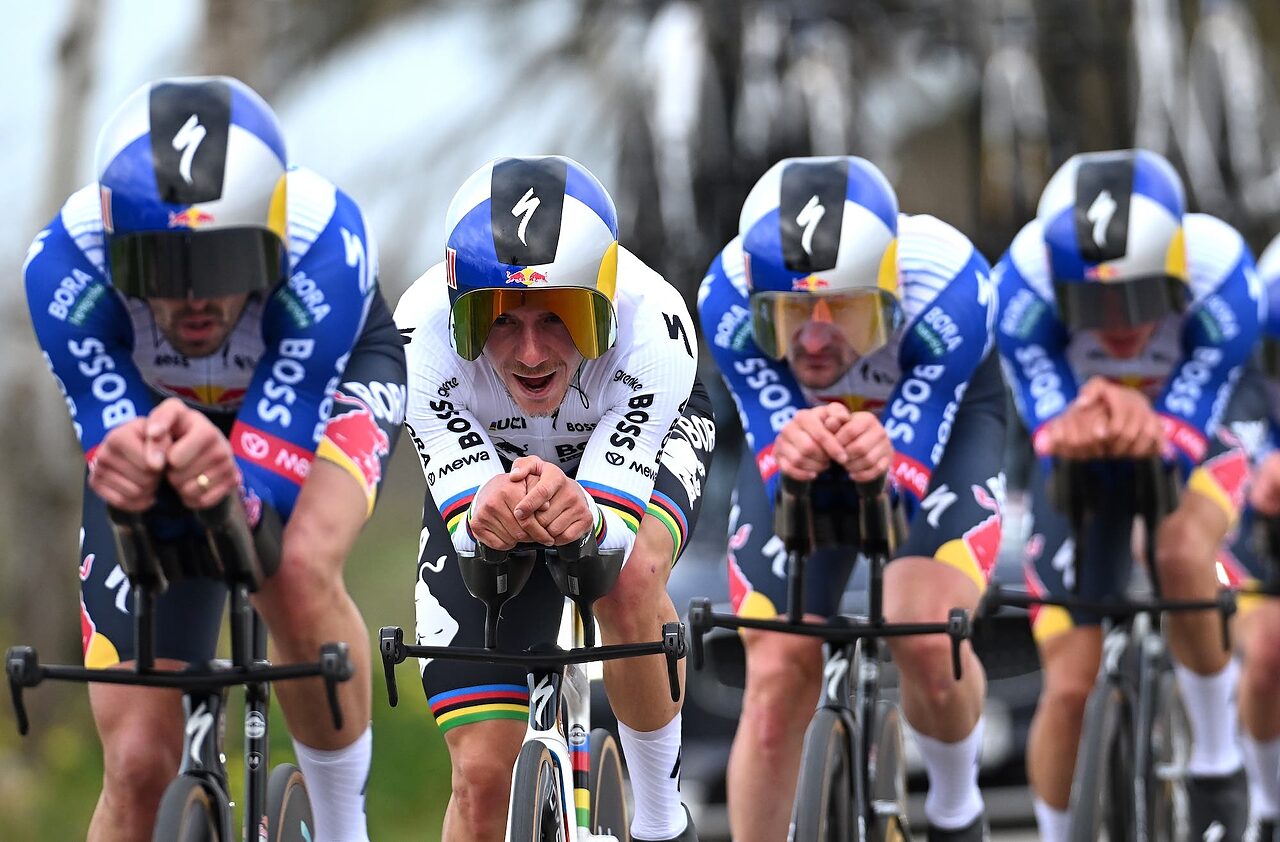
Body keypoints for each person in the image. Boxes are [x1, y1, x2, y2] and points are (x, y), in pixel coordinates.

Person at [22, 76, 406, 842]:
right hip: (162, 411)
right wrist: (133, 471)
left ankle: (340, 826)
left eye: (227, 261)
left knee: (291, 570)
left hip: (321, 388)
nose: (195, 300)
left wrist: (230, 478)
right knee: (136, 763)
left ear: (269, 234)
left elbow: (259, 491)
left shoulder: (324, 243)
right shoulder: (62, 267)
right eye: (162, 269)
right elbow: (121, 449)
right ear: (113, 246)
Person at [395, 155, 714, 842]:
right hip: (492, 462)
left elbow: (606, 532)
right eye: (500, 321)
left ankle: (663, 822)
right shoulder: (418, 337)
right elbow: (473, 523)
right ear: (459, 313)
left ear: (603, 301)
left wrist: (592, 515)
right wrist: (484, 506)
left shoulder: (652, 325)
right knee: (482, 781)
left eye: (560, 316)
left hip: (633, 437)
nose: (533, 353)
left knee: (622, 578)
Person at [698, 155, 1006, 841]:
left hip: (940, 426)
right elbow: (777, 457)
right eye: (790, 312)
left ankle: (958, 810)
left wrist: (889, 462)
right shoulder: (724, 297)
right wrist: (790, 452)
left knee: (925, 632)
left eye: (844, 310)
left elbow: (903, 479)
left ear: (889, 288)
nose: (813, 338)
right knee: (776, 666)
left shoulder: (952, 286)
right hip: (803, 428)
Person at [993, 148, 1265, 842]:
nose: (1118, 320)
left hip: (1199, 429)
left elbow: (1188, 423)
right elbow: (1050, 427)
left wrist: (1146, 419)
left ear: (1177, 270)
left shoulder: (1222, 270)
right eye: (1093, 300)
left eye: (1141, 295)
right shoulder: (1021, 282)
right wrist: (1073, 424)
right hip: (1080, 450)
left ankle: (1214, 754)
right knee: (1071, 684)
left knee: (1179, 552)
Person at [1226, 235, 1280, 840]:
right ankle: (1268, 806)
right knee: (1266, 654)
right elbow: (1233, 426)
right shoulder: (1259, 311)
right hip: (1264, 512)